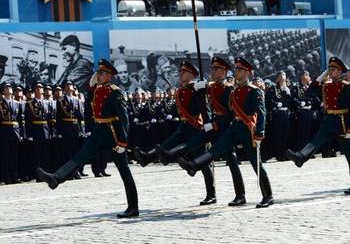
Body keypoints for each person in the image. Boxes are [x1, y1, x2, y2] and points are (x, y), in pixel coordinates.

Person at [37, 59, 139, 218]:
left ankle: (133, 207)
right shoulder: (97, 89)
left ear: (109, 76)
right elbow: (90, 98)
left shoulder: (115, 91)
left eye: (102, 73)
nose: (98, 75)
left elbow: (123, 118)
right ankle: (56, 178)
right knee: (80, 156)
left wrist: (122, 142)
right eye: (98, 72)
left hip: (112, 135)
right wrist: (92, 84)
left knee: (124, 171)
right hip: (99, 132)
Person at [177, 57, 274, 208]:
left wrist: (260, 132)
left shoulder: (254, 91)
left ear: (248, 72)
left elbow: (261, 113)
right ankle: (194, 165)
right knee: (217, 149)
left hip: (248, 129)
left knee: (256, 164)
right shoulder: (235, 91)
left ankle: (268, 196)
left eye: (240, 69)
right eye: (236, 69)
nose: (237, 71)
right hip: (234, 126)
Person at [134, 60, 216, 205]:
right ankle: (147, 158)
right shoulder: (181, 90)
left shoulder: (196, 89)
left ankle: (211, 194)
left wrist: (208, 124)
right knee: (166, 145)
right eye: (180, 72)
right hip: (184, 125)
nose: (180, 74)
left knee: (202, 163)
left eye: (183, 72)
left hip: (196, 126)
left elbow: (204, 108)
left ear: (191, 74)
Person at [286, 57, 350, 194]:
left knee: (349, 155)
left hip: (342, 123)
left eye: (333, 69)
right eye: (329, 69)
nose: (330, 71)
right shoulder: (327, 85)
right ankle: (300, 157)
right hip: (329, 121)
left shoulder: (347, 86)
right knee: (315, 141)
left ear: (340, 71)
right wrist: (323, 75)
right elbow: (309, 93)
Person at [0, 82, 23, 184]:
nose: (8, 89)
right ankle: (6, 177)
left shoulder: (18, 104)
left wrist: (22, 134)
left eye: (10, 87)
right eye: (6, 87)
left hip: (16, 131)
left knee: (15, 155)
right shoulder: (0, 104)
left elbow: (20, 121)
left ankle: (14, 176)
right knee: (5, 155)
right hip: (4, 131)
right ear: (3, 91)